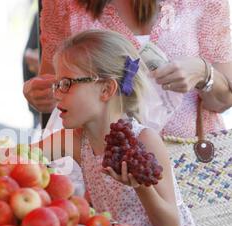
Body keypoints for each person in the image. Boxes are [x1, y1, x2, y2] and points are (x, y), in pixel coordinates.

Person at [33, 29, 210, 226]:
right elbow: (20, 158)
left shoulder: (145, 141)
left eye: (66, 84)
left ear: (106, 89)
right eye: (57, 84)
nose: (56, 93)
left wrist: (141, 187)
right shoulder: (73, 141)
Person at [24, 0, 232, 138]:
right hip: (100, 169)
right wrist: (41, 93)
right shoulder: (63, 4)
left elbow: (223, 100)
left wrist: (203, 72)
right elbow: (54, 86)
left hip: (188, 169)